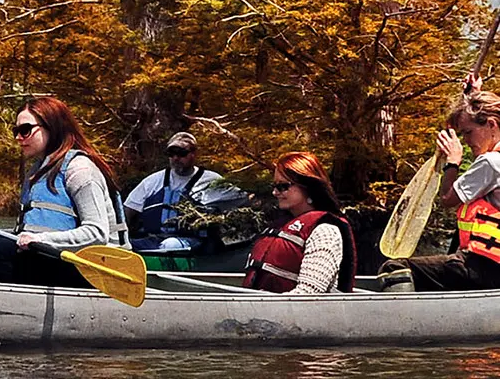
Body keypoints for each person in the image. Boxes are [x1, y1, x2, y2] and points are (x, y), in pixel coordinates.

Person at [0, 97, 129, 288]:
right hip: (51, 255)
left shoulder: (80, 170)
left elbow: (97, 233)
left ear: (52, 126)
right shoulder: (38, 171)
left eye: (25, 130)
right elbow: (26, 233)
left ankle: (7, 311)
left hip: (94, 268)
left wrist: (40, 239)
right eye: (16, 131)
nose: (18, 137)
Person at [379, 84, 500, 292]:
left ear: (491, 125)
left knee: (394, 268)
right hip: (490, 267)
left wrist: (452, 162)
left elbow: (447, 198)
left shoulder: (491, 163)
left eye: (468, 133)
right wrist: (472, 94)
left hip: (486, 268)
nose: (467, 141)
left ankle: (406, 324)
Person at [243, 152, 357, 294]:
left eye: (283, 186)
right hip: (264, 311)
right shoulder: (281, 225)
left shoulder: (325, 231)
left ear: (308, 186)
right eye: (275, 186)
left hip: (300, 314)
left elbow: (309, 293)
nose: (274, 192)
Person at [124, 132, 247, 252]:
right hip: (155, 239)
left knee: (170, 245)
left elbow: (245, 200)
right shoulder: (152, 181)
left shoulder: (211, 181)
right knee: (123, 247)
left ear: (194, 154)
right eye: (171, 154)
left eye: (181, 153)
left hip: (194, 242)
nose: (176, 158)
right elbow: (129, 210)